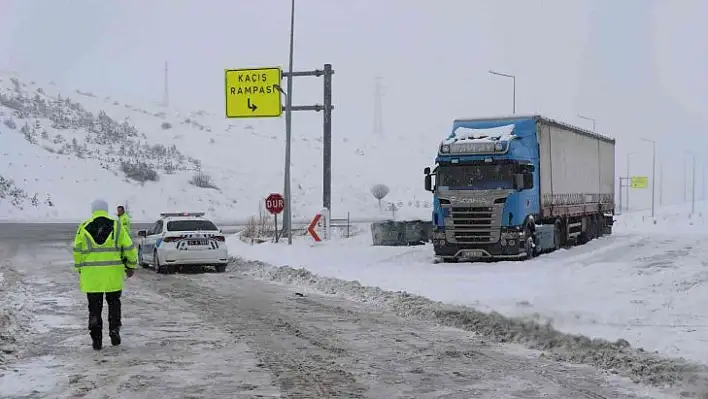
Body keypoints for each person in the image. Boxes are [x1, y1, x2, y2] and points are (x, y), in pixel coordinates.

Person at [72, 199, 137, 350]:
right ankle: (114, 330)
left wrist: (80, 268)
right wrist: (131, 265)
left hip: (92, 277)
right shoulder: (117, 226)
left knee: (94, 308)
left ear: (93, 210)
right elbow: (129, 248)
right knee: (114, 304)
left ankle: (96, 339)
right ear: (106, 210)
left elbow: (77, 250)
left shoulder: (83, 227)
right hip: (113, 276)